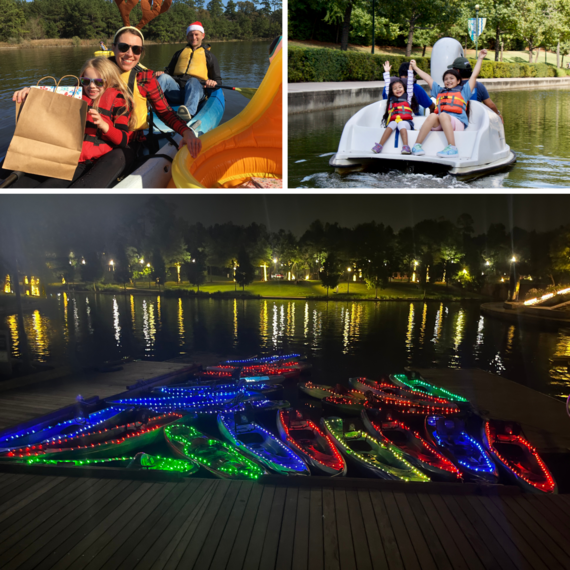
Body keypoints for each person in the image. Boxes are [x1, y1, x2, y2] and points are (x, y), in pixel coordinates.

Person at [11, 25, 202, 186]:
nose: (129, 54)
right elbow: (70, 94)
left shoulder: (146, 78)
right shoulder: (97, 70)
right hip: (88, 136)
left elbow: (164, 112)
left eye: (136, 49)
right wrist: (33, 93)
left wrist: (185, 131)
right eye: (124, 47)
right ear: (114, 47)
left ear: (141, 52)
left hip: (126, 140)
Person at [4, 57, 133, 188]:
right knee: (16, 185)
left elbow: (123, 139)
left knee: (47, 189)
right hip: (57, 156)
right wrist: (30, 92)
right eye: (86, 81)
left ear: (110, 80)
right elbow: (47, 97)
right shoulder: (73, 93)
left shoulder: (118, 100)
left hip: (82, 163)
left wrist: (104, 125)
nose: (91, 86)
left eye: (99, 82)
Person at [409, 49, 488, 158]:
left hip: (457, 123)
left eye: (452, 78)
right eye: (446, 79)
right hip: (442, 122)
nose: (448, 81)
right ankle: (417, 146)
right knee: (432, 115)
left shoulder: (464, 91)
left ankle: (452, 148)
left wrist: (480, 58)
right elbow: (428, 79)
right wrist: (415, 68)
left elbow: (474, 76)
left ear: (458, 81)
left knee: (442, 115)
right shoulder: (439, 91)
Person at [156, 22, 222, 122]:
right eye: (191, 35)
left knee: (192, 81)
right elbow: (168, 72)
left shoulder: (209, 56)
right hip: (176, 92)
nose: (193, 37)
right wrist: (162, 74)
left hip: (196, 92)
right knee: (163, 77)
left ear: (202, 36)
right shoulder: (179, 53)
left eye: (196, 34)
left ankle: (188, 114)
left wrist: (213, 83)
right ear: (187, 37)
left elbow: (218, 80)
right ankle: (148, 106)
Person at [372, 61, 417, 155]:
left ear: (404, 89)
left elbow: (409, 84)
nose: (398, 90)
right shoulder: (391, 99)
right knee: (391, 124)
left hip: (406, 123)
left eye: (400, 87)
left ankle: (406, 147)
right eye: (395, 88)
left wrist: (410, 71)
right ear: (392, 91)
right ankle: (380, 145)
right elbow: (387, 84)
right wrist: (386, 73)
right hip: (394, 121)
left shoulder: (407, 98)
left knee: (401, 124)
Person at [449, 56, 503, 123]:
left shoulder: (450, 87)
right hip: (475, 123)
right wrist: (498, 114)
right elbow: (491, 106)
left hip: (456, 122)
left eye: (452, 69)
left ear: (457, 71)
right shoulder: (479, 86)